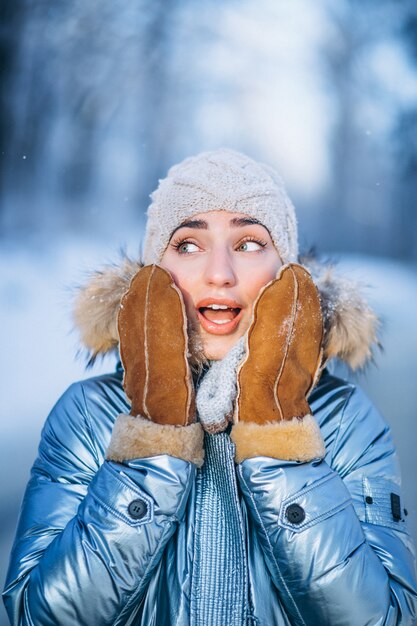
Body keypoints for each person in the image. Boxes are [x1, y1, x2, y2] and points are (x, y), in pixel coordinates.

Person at [3, 148, 417, 626]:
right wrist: (153, 436)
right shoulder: (88, 412)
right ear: (155, 274)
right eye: (189, 245)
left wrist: (278, 431)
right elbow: (31, 616)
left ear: (286, 275)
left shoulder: (345, 418)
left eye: (247, 243)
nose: (220, 273)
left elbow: (387, 618)